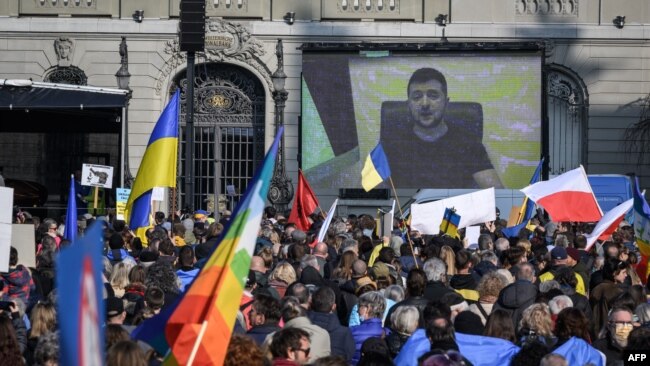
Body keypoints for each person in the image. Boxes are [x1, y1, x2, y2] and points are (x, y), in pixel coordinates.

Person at [380, 67, 502, 188]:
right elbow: (368, 192)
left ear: (446, 103)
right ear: (408, 105)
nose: (425, 104)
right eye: (417, 97)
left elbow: (498, 193)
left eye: (433, 96)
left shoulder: (467, 142)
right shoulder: (390, 142)